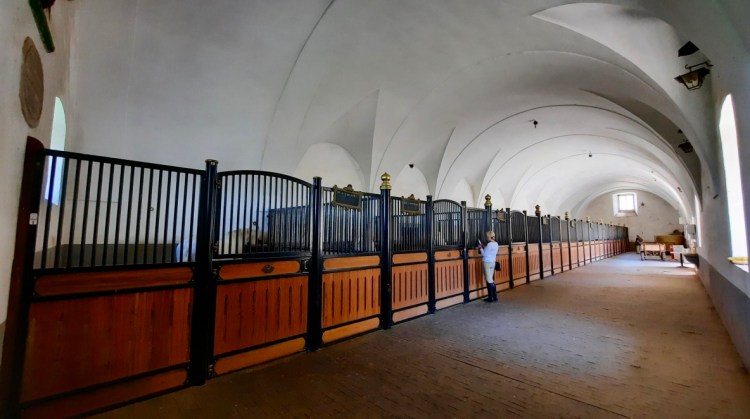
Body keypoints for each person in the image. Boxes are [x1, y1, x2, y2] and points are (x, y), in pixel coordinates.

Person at [477, 230, 499, 302]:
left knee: (489, 280)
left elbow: (484, 254)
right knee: (491, 279)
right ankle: (494, 297)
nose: (486, 238)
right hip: (493, 262)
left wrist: (480, 248)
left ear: (489, 237)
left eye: (487, 237)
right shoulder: (496, 244)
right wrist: (484, 247)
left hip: (487, 263)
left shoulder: (489, 244)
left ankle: (490, 298)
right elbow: (490, 251)